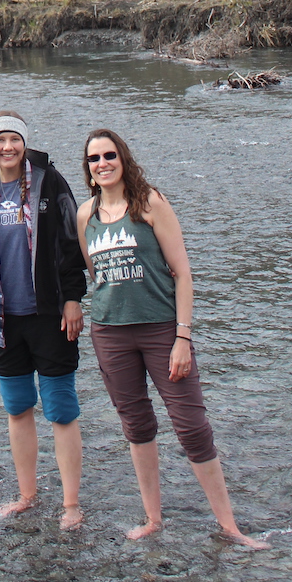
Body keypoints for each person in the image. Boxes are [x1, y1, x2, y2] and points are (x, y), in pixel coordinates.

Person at [77, 126, 267, 548]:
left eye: (110, 155)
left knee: (191, 426)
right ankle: (153, 518)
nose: (103, 164)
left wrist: (183, 337)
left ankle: (229, 526)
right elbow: (97, 278)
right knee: (137, 425)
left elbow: (182, 273)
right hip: (109, 333)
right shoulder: (84, 215)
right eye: (94, 159)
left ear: (123, 160)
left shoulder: (150, 203)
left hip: (162, 330)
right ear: (88, 169)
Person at [0, 111, 87, 527]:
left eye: (13, 140)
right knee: (18, 409)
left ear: (25, 143)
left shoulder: (50, 182)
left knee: (61, 410)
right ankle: (28, 494)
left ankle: (71, 504)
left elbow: (71, 243)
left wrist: (73, 299)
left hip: (49, 313)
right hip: (4, 318)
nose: (7, 148)